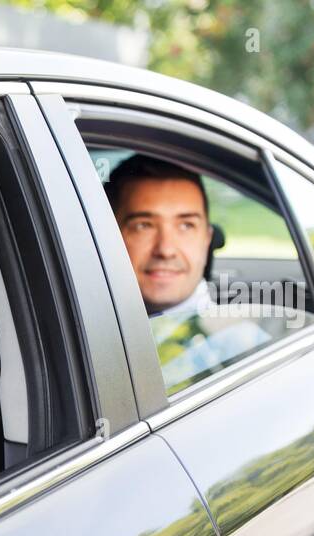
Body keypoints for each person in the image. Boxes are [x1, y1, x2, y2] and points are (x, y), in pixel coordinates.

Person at [105, 154, 269, 389]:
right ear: (107, 236)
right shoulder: (74, 330)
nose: (166, 249)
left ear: (207, 239)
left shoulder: (241, 346)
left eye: (186, 225)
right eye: (143, 226)